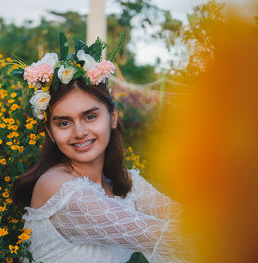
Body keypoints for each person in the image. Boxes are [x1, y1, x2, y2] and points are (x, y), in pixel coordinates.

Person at [12, 35, 194, 263]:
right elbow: (163, 237)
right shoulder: (58, 188)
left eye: (90, 116)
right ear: (50, 132)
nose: (79, 132)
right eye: (64, 123)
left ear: (113, 118)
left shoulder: (125, 183)